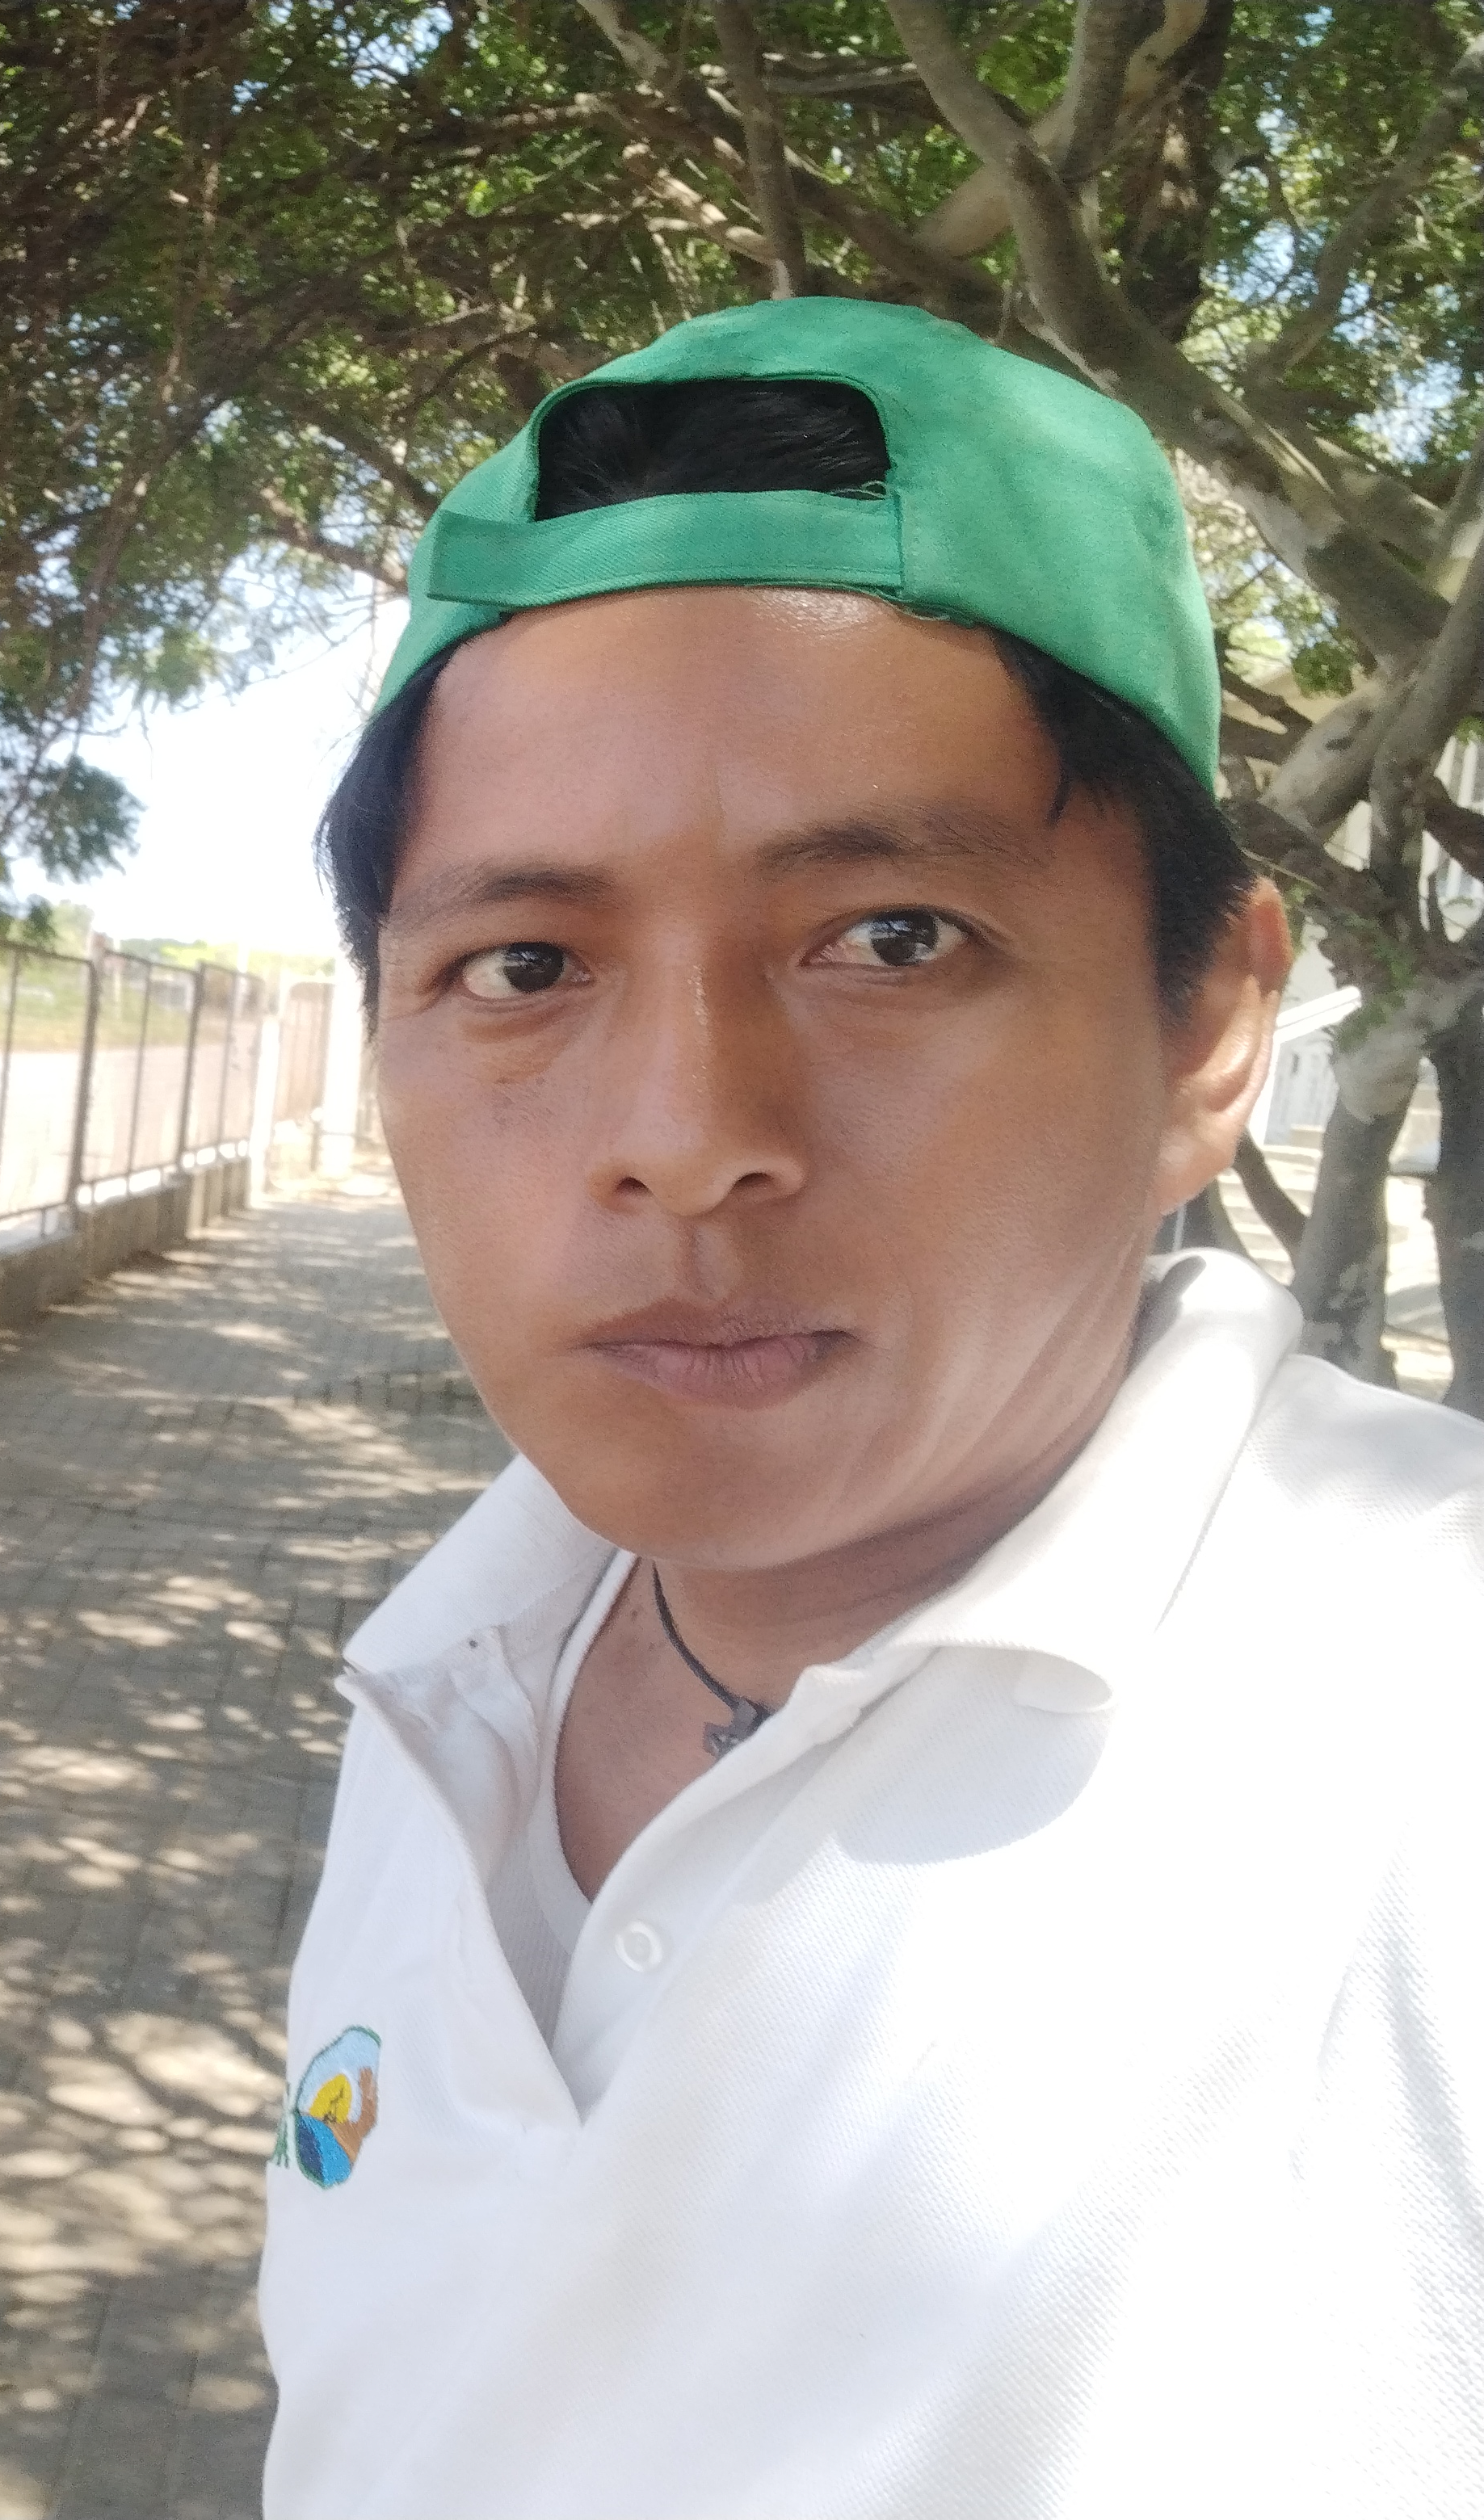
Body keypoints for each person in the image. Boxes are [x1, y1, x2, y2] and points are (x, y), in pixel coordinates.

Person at [261, 296, 1484, 2518]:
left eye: (894, 937)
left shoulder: (1422, 1729)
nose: (687, 1137)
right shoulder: (456, 1678)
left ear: (1209, 1030)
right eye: (523, 968)